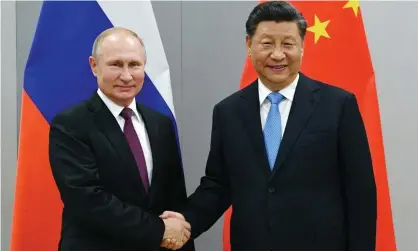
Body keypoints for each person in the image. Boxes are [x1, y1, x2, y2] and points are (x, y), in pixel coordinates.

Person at [161, 1, 377, 251]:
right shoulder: (228, 112)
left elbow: (361, 193)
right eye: (267, 44)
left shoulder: (338, 105)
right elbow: (218, 186)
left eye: (287, 44)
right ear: (249, 46)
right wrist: (182, 223)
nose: (277, 54)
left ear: (302, 46)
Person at [49, 27, 194, 251]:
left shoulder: (160, 123)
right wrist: (159, 230)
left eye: (134, 65)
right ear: (94, 66)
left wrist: (179, 237)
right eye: (116, 64)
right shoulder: (70, 124)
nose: (126, 76)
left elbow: (172, 197)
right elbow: (87, 200)